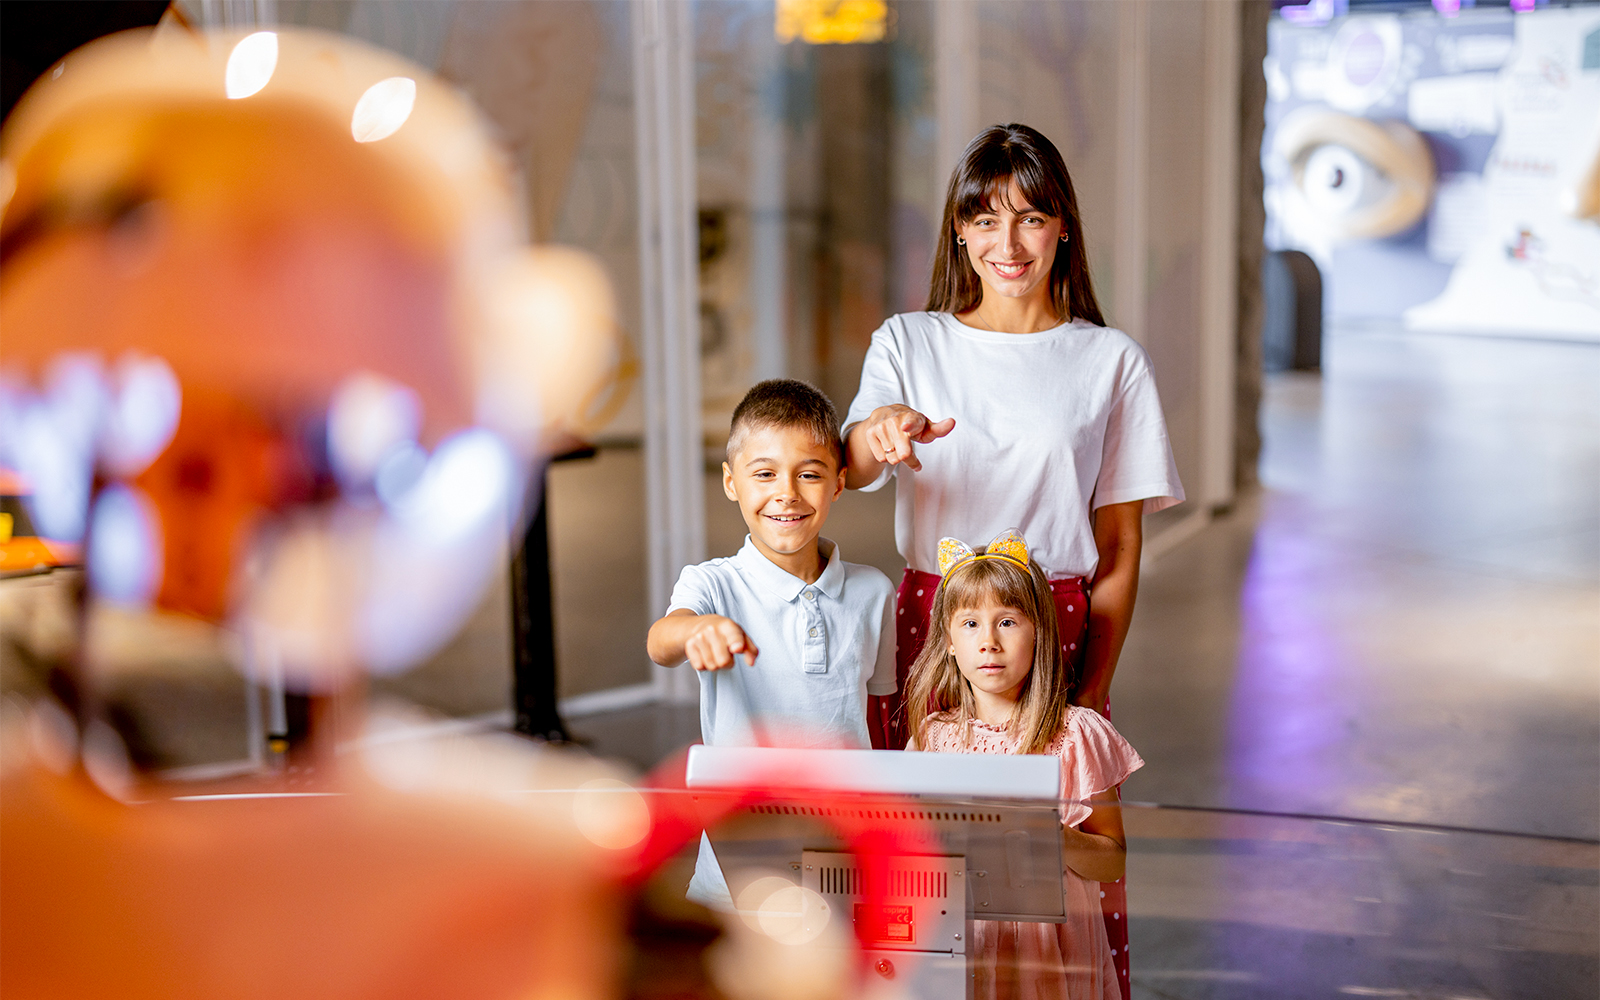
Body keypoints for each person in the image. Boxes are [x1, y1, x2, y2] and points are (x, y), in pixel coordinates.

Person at [843, 122, 1182, 997]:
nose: (1009, 242)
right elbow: (851, 458)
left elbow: (1120, 546)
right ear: (958, 229)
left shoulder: (1109, 361)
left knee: (1052, 862)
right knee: (927, 853)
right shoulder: (910, 343)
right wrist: (878, 434)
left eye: (1032, 218)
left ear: (1064, 226)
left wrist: (1092, 682)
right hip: (928, 625)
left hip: (1052, 625)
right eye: (986, 219)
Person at [647, 378, 898, 908]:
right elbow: (661, 641)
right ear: (731, 481)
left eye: (809, 474)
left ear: (839, 482)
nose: (786, 492)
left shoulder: (874, 591)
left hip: (846, 858)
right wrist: (696, 629)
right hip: (735, 874)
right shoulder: (712, 584)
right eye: (764, 474)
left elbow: (882, 714)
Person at [909, 529, 1142, 1000]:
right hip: (963, 944)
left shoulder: (1077, 734)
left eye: (1008, 622)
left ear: (1039, 632)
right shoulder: (932, 739)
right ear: (949, 643)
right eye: (970, 624)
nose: (989, 642)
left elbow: (1112, 858)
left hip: (1053, 950)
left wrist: (1059, 840)